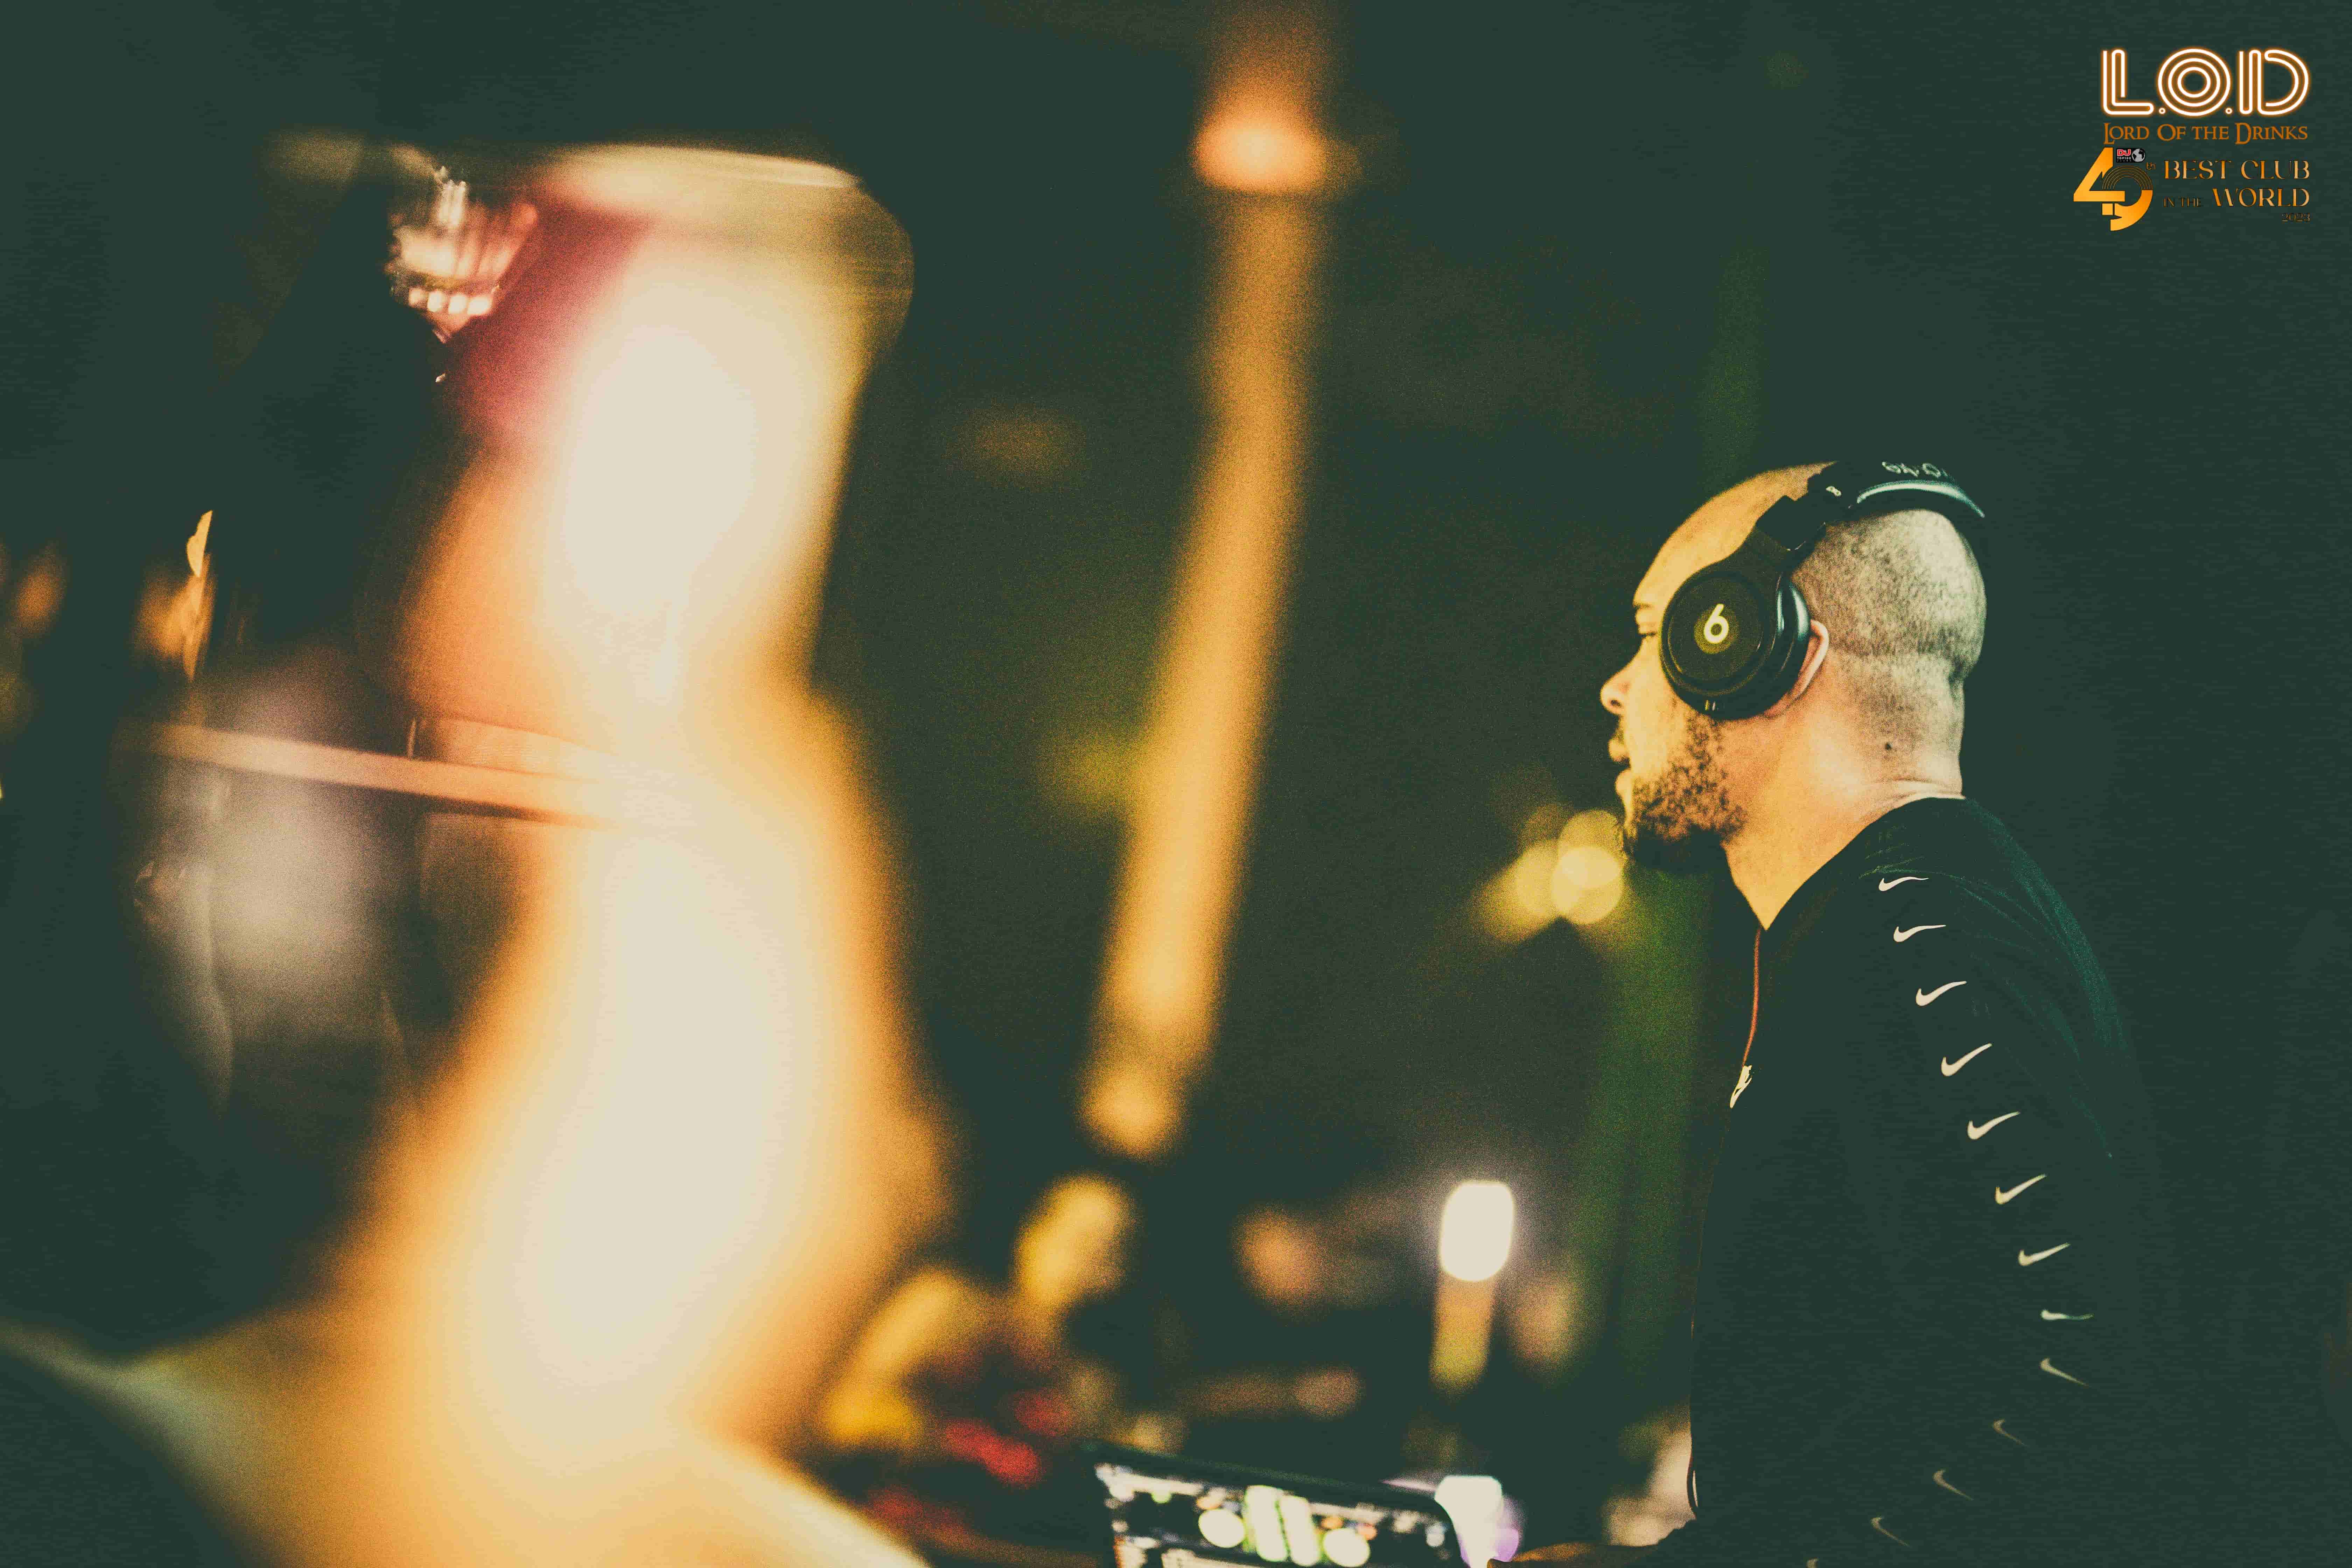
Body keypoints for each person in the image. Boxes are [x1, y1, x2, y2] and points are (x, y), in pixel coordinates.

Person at [1513, 463, 2188, 1565]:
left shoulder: (1919, 928)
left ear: (1750, 645)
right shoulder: (1894, 920)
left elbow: (2062, 1376)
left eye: (1650, 634)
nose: (1616, 688)